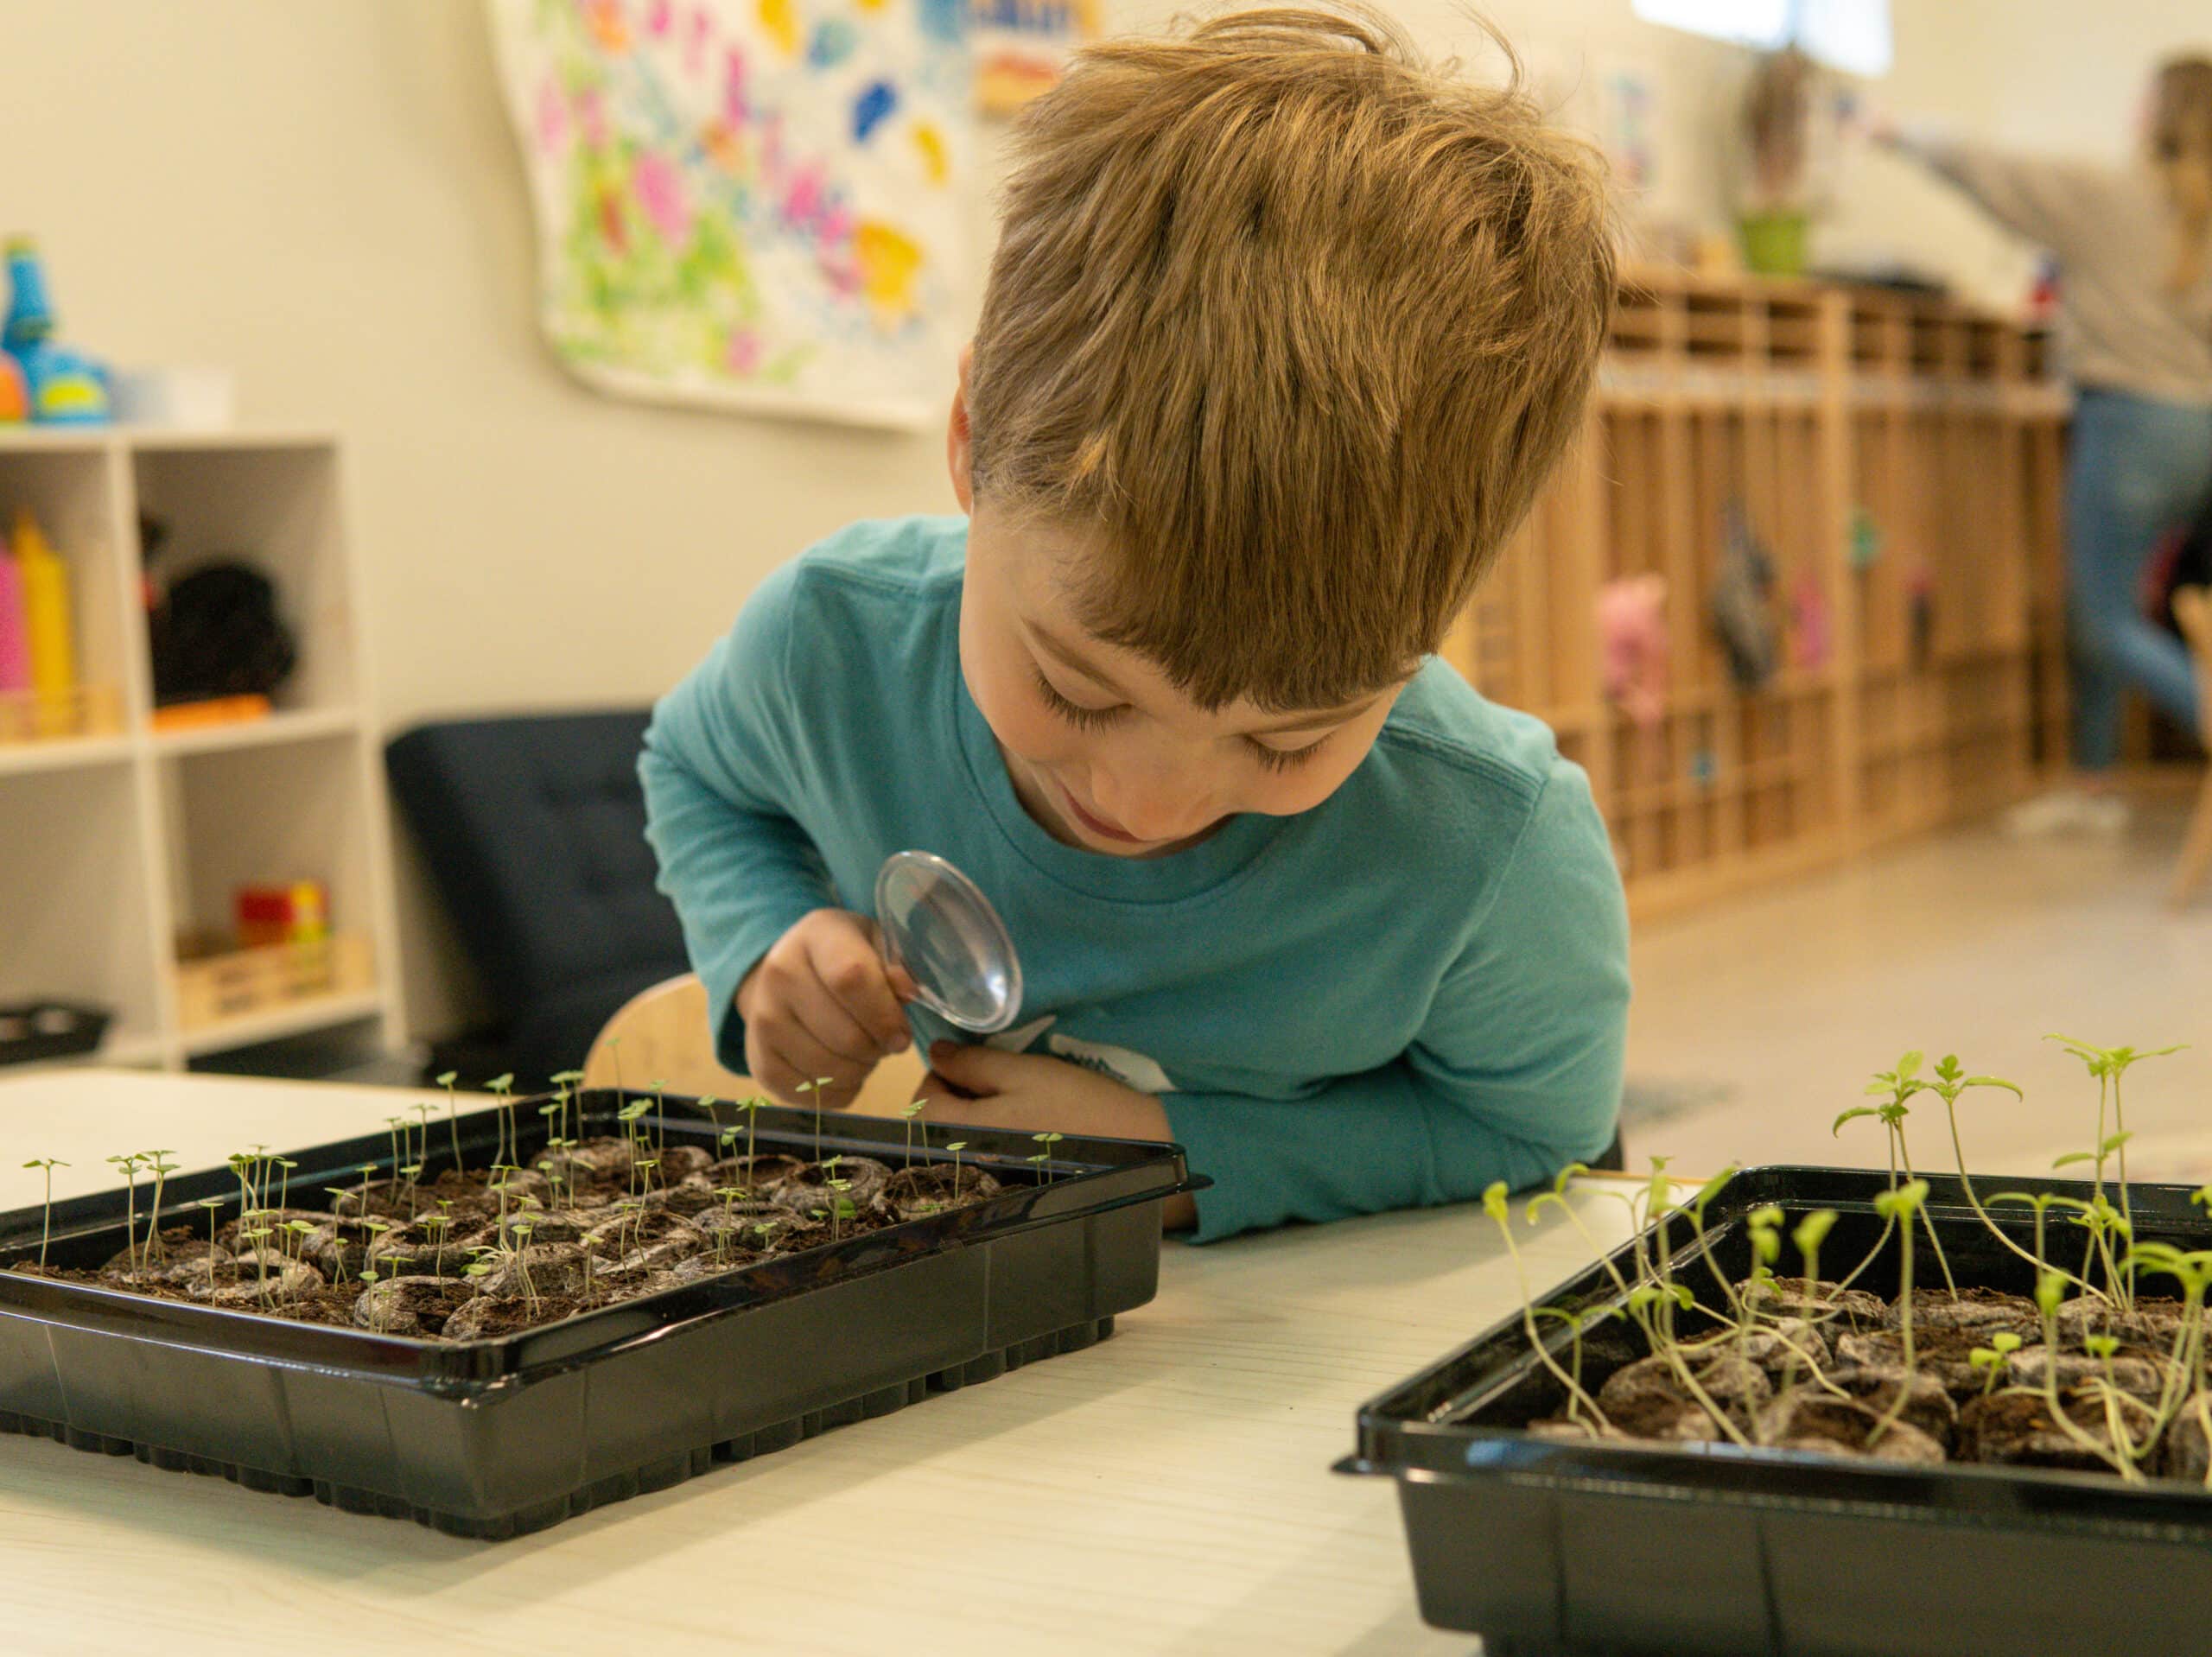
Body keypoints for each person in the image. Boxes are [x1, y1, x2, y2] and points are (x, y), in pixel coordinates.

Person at [639, 4, 1627, 1243]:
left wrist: (1180, 1159)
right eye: (1082, 690)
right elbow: (693, 770)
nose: (1150, 803)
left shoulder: (1489, 839)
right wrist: (767, 938)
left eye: (1284, 743)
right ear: (968, 444)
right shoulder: (832, 640)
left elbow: (1540, 1134)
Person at [1880, 59, 2212, 833]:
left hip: (2132, 423)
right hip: (2203, 431)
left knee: (2101, 617)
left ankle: (2132, 756)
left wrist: (1895, 133)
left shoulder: (2112, 196)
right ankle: (2094, 782)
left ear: (2154, 115)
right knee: (2137, 604)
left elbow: (1992, 172)